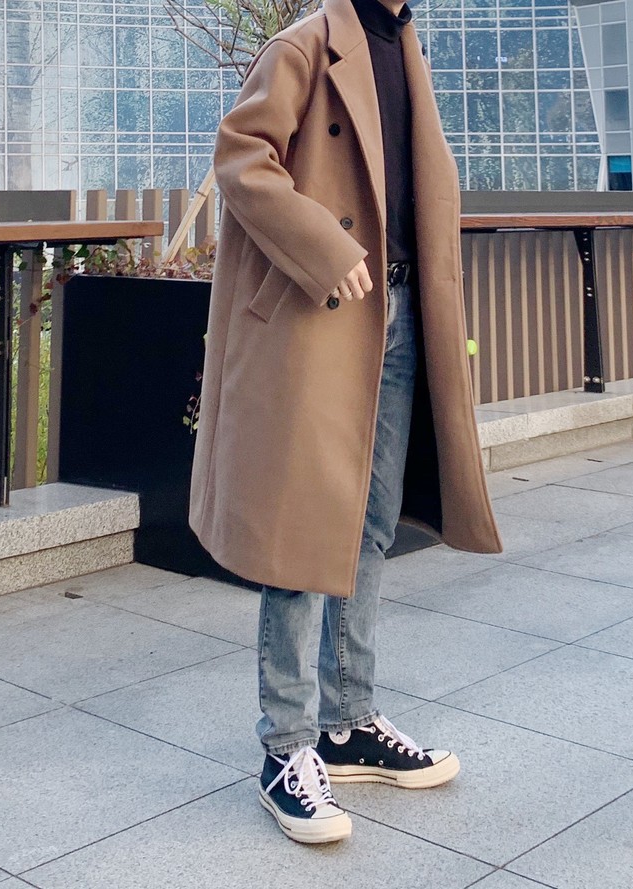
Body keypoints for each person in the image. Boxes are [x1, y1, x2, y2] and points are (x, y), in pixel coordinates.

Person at [188, 0, 502, 845]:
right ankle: (285, 746)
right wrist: (325, 247)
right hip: (322, 313)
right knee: (301, 530)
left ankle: (349, 720)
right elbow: (241, 156)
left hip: (398, 312)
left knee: (369, 522)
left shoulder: (405, 44)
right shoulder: (306, 43)